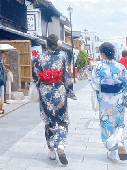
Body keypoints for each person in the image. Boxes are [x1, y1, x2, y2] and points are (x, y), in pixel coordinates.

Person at [32, 34, 75, 165]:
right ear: (57, 44)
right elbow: (67, 77)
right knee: (61, 119)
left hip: (45, 91)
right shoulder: (62, 58)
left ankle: (51, 150)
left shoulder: (40, 58)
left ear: (47, 44)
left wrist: (41, 86)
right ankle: (61, 144)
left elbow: (35, 76)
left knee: (49, 119)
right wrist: (69, 90)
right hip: (59, 90)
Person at [90, 42, 127, 162]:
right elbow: (126, 84)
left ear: (102, 54)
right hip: (119, 99)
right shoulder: (120, 67)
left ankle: (113, 153)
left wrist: (100, 94)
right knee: (119, 123)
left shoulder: (98, 67)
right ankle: (119, 143)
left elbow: (95, 84)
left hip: (105, 100)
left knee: (106, 124)